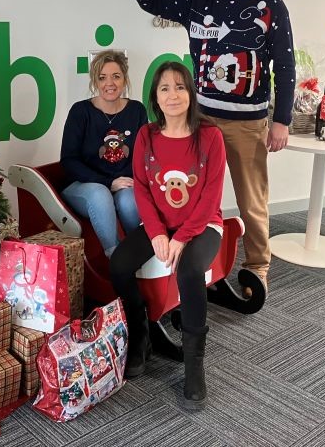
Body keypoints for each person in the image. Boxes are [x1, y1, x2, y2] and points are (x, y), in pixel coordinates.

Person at [121, 0, 296, 298]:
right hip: (199, 123)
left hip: (248, 123)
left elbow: (284, 64)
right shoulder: (199, 2)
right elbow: (153, 2)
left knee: (252, 199)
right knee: (198, 199)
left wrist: (281, 120)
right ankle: (201, 266)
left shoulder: (271, 6)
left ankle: (257, 267)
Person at [110, 61, 226, 409]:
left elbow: (210, 198)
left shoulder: (210, 136)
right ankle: (142, 334)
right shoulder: (146, 135)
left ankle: (194, 365)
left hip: (203, 226)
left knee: (189, 271)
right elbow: (143, 190)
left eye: (179, 87)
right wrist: (158, 232)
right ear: (155, 98)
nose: (173, 95)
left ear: (190, 93)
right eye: (164, 89)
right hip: (160, 224)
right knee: (119, 264)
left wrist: (181, 238)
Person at [60, 50, 148, 257]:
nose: (110, 83)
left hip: (123, 184)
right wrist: (108, 182)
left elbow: (143, 154)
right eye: (102, 77)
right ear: (95, 81)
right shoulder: (81, 111)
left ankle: (141, 256)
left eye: (116, 76)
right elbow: (69, 160)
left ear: (125, 79)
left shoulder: (137, 110)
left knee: (129, 201)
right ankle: (116, 259)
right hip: (84, 185)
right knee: (100, 195)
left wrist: (133, 181)